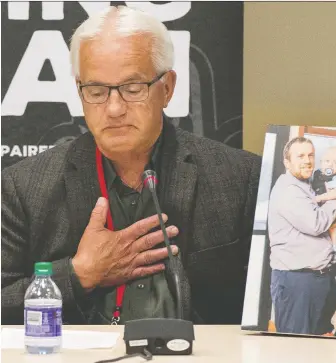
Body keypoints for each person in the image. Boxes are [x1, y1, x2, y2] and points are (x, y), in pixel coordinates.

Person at [1, 6, 261, 325]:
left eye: (132, 89)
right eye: (96, 91)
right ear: (79, 93)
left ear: (167, 88)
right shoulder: (24, 187)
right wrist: (78, 274)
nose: (113, 108)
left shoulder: (239, 177)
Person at [268, 137, 336, 335]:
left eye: (311, 155)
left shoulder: (308, 185)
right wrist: (335, 199)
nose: (307, 160)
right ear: (287, 162)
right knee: (296, 346)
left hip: (318, 279)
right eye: (300, 156)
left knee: (318, 347)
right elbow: (317, 224)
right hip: (298, 282)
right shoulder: (290, 189)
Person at [312, 147, 336, 263]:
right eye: (327, 161)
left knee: (334, 228)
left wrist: (318, 198)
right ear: (321, 162)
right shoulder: (317, 173)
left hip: (335, 208)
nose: (331, 165)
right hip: (321, 208)